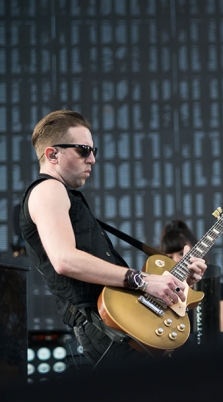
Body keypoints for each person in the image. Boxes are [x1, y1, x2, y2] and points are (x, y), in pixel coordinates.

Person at [18, 110, 207, 368]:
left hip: (118, 320)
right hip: (105, 326)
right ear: (52, 155)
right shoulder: (48, 189)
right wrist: (143, 280)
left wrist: (171, 281)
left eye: (93, 150)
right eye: (83, 150)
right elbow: (64, 260)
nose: (92, 159)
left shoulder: (65, 196)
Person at [159, 219, 223, 332]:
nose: (176, 260)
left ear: (196, 250)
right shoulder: (161, 293)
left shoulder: (218, 289)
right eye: (169, 257)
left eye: (181, 253)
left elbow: (219, 330)